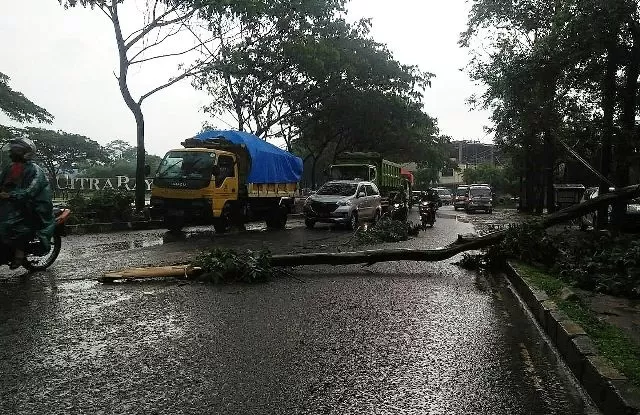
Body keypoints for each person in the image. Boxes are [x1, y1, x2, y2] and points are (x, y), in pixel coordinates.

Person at [0, 137, 55, 269]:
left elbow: (30, 191)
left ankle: (19, 252)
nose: (10, 153)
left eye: (14, 151)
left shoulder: (35, 170)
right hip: (14, 202)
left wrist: (9, 195)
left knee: (13, 224)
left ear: (22, 152)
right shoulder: (11, 168)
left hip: (34, 205)